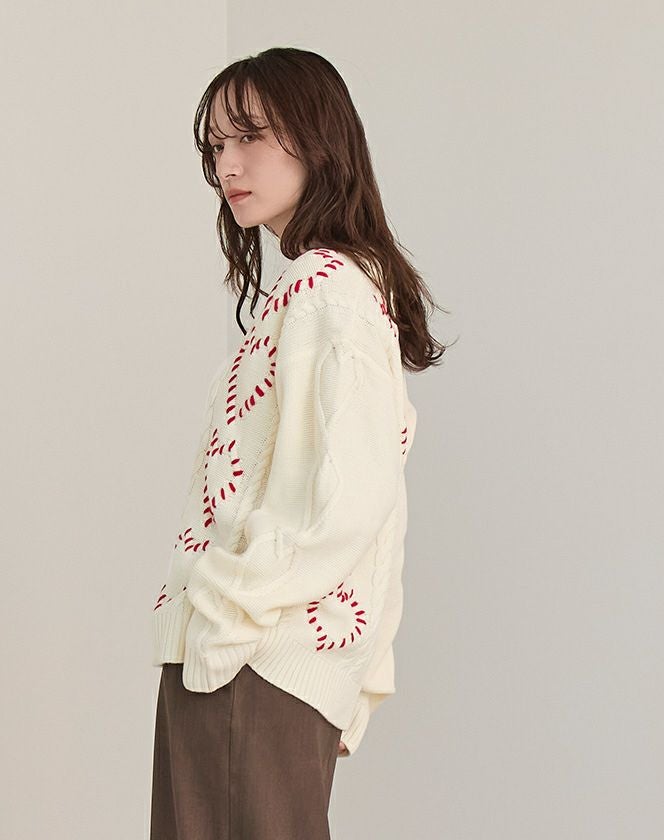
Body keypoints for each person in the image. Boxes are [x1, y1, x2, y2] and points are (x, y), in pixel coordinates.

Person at [149, 46, 449, 840]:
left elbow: (354, 498)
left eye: (249, 136)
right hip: (252, 658)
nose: (227, 165)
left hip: (249, 659)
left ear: (318, 137)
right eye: (216, 145)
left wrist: (227, 606)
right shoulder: (332, 287)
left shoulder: (328, 287)